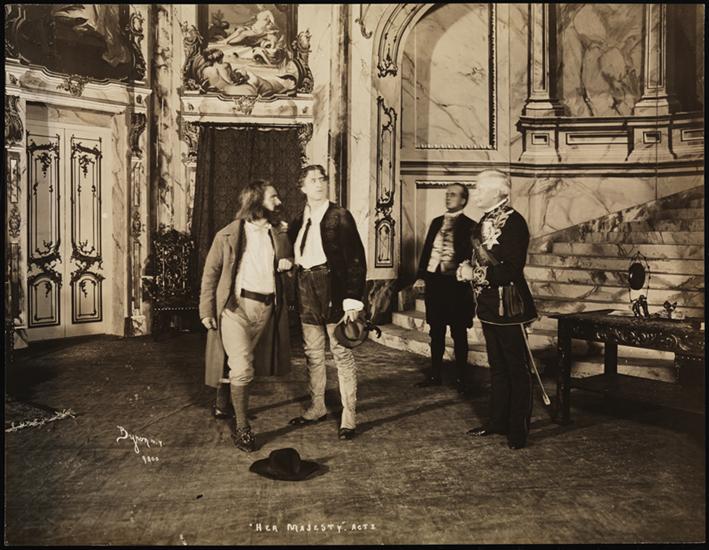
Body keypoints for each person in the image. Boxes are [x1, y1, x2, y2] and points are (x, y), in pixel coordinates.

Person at [199, 180, 293, 452]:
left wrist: (289, 265)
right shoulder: (227, 234)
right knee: (241, 367)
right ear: (256, 200)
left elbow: (289, 269)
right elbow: (210, 273)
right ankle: (242, 429)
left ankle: (222, 402)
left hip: (267, 310)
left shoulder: (280, 232)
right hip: (235, 308)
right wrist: (206, 310)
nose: (278, 202)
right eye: (273, 197)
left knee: (238, 360)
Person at [457, 170, 538, 450]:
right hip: (489, 305)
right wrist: (465, 268)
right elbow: (480, 258)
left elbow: (511, 270)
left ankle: (518, 430)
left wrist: (474, 274)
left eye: (480, 189)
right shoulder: (484, 219)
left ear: (497, 192)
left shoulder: (514, 222)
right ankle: (497, 422)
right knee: (498, 368)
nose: (475, 193)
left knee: (516, 369)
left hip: (509, 306)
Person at [287, 165, 367, 440]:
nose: (320, 184)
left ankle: (349, 417)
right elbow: (291, 251)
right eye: (313, 180)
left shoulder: (340, 216)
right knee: (313, 352)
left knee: (341, 353)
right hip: (305, 286)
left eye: (322, 179)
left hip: (332, 287)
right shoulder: (298, 220)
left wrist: (352, 300)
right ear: (303, 187)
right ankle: (317, 406)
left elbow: (356, 259)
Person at [413, 183, 476, 392]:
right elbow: (427, 251)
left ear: (463, 200)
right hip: (436, 283)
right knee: (436, 331)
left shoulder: (471, 226)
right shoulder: (436, 222)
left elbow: (472, 256)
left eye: (453, 195)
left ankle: (462, 378)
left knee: (459, 332)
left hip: (457, 286)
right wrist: (421, 276)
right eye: (447, 194)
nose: (448, 197)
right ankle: (435, 374)